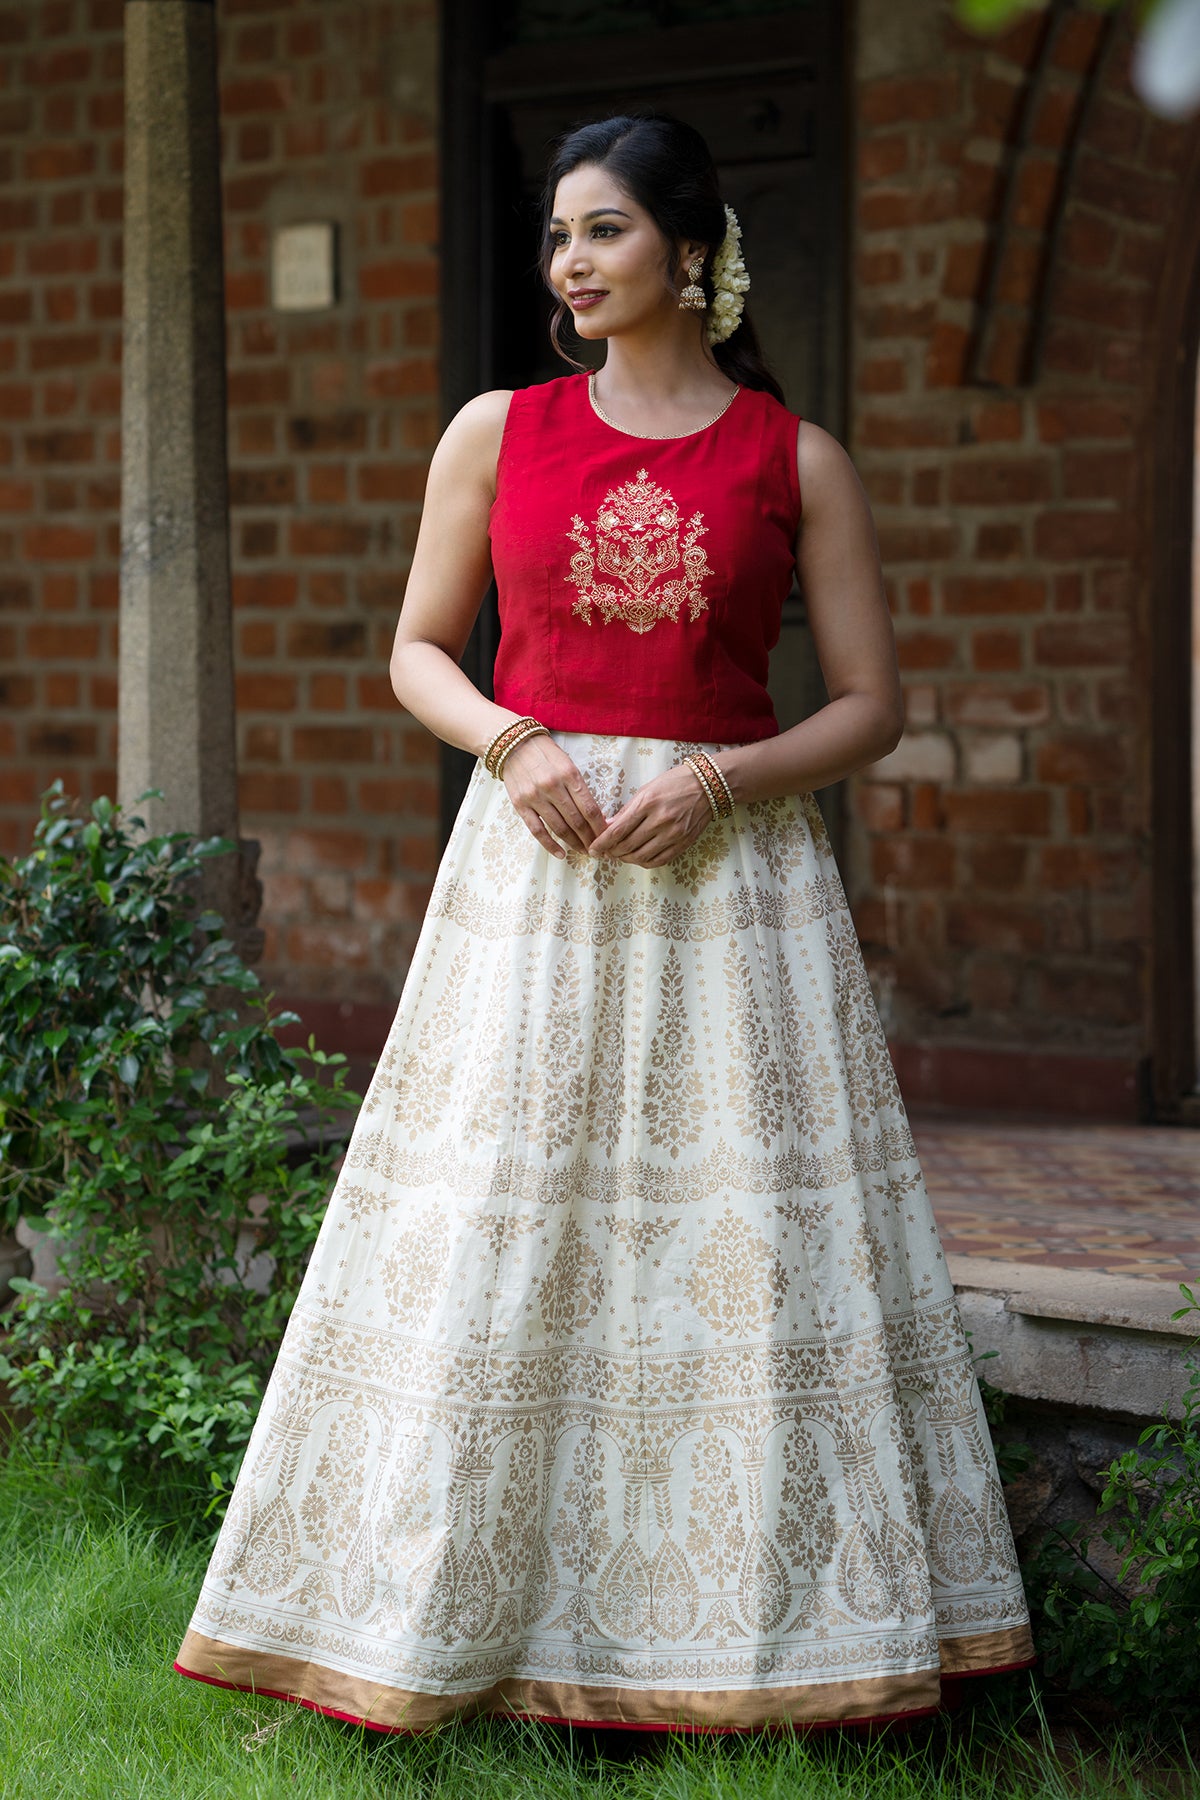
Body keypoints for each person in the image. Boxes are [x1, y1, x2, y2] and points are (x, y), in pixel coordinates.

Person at [176, 112, 1033, 1736]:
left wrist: (721, 784)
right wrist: (512, 743)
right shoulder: (497, 431)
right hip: (536, 871)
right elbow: (421, 650)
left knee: (740, 1256)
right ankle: (441, 1621)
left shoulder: (798, 458)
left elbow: (873, 710)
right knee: (504, 1233)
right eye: (560, 237)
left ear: (693, 250)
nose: (571, 263)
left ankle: (746, 1650)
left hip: (736, 888)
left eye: (607, 232)